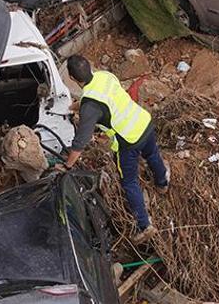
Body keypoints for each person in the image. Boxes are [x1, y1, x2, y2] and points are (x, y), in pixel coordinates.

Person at [59, 55, 169, 244]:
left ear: (73, 78)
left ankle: (145, 225)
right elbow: (107, 98)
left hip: (128, 140)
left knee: (129, 182)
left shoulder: (90, 106)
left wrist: (67, 166)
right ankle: (162, 183)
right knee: (152, 154)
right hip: (144, 122)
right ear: (89, 66)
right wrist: (80, 107)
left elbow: (81, 142)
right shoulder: (105, 76)